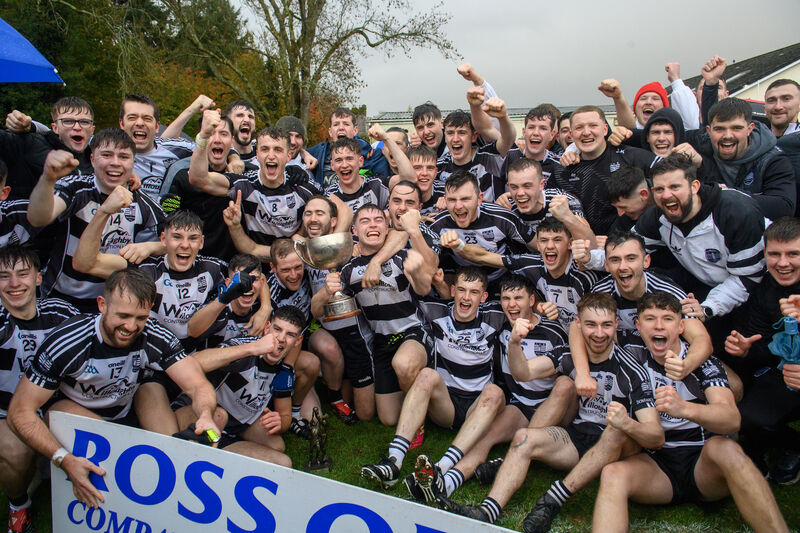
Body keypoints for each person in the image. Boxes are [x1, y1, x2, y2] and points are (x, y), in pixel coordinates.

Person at [439, 293, 663, 533]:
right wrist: (514, 343)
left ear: (616, 325)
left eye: (606, 325)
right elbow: (523, 372)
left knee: (615, 431)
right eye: (590, 325)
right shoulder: (569, 356)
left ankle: (553, 499)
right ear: (578, 325)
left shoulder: (632, 370)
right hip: (578, 438)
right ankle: (488, 510)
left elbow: (655, 436)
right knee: (523, 438)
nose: (599, 333)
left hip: (617, 447)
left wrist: (627, 423)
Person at [7, 268, 221, 510]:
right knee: (61, 409)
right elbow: (20, 411)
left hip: (126, 408)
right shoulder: (68, 341)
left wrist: (204, 413)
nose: (131, 326)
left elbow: (197, 384)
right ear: (102, 305)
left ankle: (167, 469)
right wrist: (62, 458)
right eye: (123, 316)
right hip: (77, 414)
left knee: (208, 412)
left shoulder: (154, 333)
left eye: (141, 318)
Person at [592, 292, 789, 533]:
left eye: (667, 319)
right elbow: (584, 330)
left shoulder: (702, 363)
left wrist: (684, 408)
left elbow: (732, 419)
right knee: (612, 473)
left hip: (702, 463)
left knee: (728, 449)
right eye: (650, 318)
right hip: (656, 464)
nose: (658, 326)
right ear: (638, 325)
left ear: (681, 325)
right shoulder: (632, 356)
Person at [404, 274, 574, 503]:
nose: (511, 304)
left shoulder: (553, 331)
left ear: (532, 300)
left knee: (565, 385)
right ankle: (445, 482)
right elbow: (465, 301)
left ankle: (507, 460)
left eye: (518, 298)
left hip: (553, 407)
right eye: (506, 298)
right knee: (484, 438)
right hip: (520, 407)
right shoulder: (502, 326)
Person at [360, 267, 507, 491]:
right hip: (445, 405)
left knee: (495, 393)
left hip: (477, 407)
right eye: (461, 290)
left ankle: (442, 466)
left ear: (484, 297)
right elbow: (403, 302)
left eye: (474, 292)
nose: (466, 298)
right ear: (452, 291)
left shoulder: (495, 315)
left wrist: (542, 307)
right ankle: (393, 461)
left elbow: (522, 307)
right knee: (427, 375)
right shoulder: (435, 311)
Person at [313, 204, 434, 425]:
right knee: (387, 419)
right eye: (365, 221)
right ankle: (416, 395)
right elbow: (315, 310)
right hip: (382, 343)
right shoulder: (348, 270)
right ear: (354, 231)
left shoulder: (401, 256)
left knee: (404, 363)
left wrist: (417, 272)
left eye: (378, 220)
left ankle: (418, 423)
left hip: (413, 332)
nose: (373, 225)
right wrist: (325, 292)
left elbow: (424, 288)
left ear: (387, 228)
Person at [26, 130, 165, 312]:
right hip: (59, 299)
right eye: (106, 155)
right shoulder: (76, 188)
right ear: (92, 160)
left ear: (133, 162)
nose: (115, 162)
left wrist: (150, 247)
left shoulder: (144, 203)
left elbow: (172, 240)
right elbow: (38, 219)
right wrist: (48, 179)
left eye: (123, 157)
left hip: (111, 304)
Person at [0, 245, 79, 531]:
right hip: (7, 413)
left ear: (37, 277)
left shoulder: (60, 313)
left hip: (57, 408)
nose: (14, 284)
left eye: (22, 274)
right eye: (4, 276)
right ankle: (19, 506)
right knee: (13, 450)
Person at [634, 153, 767, 321]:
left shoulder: (736, 212)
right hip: (709, 289)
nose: (666, 195)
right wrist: (591, 257)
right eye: (660, 189)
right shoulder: (658, 215)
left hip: (758, 293)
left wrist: (708, 307)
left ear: (694, 186)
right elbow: (628, 248)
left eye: (675, 187)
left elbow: (748, 278)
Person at [183, 306, 310, 467]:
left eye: (290, 335)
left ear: (298, 341)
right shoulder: (245, 348)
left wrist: (280, 422)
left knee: (280, 452)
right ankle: (203, 455)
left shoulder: (284, 371)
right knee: (219, 416)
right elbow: (192, 363)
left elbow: (285, 415)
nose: (281, 338)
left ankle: (220, 454)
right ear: (267, 328)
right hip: (202, 416)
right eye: (277, 329)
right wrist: (251, 349)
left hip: (233, 430)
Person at [724, 216, 800, 482]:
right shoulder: (764, 289)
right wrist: (746, 350)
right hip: (784, 376)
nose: (783, 263)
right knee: (745, 418)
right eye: (774, 254)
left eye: (793, 254)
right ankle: (791, 444)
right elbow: (764, 345)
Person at [443, 217, 603, 331]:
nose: (550, 246)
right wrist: (459, 245)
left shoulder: (584, 271)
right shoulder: (532, 263)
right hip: (558, 336)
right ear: (538, 245)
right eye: (544, 240)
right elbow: (484, 256)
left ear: (569, 244)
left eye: (557, 240)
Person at [266, 238, 353, 425]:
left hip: (304, 334)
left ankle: (335, 397)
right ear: (273, 268)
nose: (293, 275)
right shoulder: (269, 293)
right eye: (285, 270)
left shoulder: (307, 273)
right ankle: (281, 402)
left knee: (329, 348)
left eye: (298, 267)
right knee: (313, 419)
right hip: (281, 348)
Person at [550, 106, 659, 234]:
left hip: (631, 244)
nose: (586, 132)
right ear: (571, 134)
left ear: (605, 129)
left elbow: (670, 175)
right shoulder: (561, 171)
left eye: (593, 125)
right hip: (583, 246)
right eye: (579, 128)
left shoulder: (630, 156)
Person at [689, 97, 796, 219]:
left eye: (736, 128)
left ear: (749, 129)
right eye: (719, 129)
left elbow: (784, 207)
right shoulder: (698, 152)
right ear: (709, 131)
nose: (727, 135)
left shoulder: (773, 160)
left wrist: (727, 193)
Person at [430, 170, 536, 283]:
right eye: (452, 200)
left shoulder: (502, 218)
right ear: (445, 199)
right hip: (462, 282)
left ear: (479, 199)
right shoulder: (438, 223)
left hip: (501, 278)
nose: (458, 206)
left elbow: (537, 245)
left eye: (465, 199)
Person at [169, 111, 242, 261]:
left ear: (232, 141)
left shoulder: (244, 176)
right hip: (191, 260)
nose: (217, 140)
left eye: (223, 134)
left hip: (232, 262)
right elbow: (168, 219)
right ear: (201, 138)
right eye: (210, 134)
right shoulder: (182, 177)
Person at [1, 97, 96, 200]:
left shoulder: (100, 158)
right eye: (68, 121)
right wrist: (15, 121)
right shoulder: (29, 144)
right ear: (55, 128)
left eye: (85, 122)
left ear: (92, 129)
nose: (77, 127)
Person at [118, 93, 205, 200]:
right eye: (132, 117)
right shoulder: (106, 149)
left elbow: (211, 148)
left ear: (157, 127)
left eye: (147, 118)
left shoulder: (174, 148)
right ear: (121, 124)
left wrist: (232, 157)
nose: (140, 123)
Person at [436, 101, 515, 202]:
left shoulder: (489, 157)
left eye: (462, 133)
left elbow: (508, 139)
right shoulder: (439, 166)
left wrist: (503, 117)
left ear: (474, 136)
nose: (455, 139)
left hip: (490, 217)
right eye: (450, 133)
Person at [306, 107, 389, 188]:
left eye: (346, 124)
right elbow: (295, 150)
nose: (341, 128)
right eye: (336, 124)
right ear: (330, 132)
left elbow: (385, 183)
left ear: (355, 130)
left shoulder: (370, 154)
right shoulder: (319, 151)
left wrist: (386, 139)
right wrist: (305, 154)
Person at [324, 137, 391, 211]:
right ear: (332, 165)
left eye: (349, 159)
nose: (344, 165)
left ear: (361, 161)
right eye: (339, 160)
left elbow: (405, 177)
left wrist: (386, 138)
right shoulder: (328, 197)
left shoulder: (377, 186)